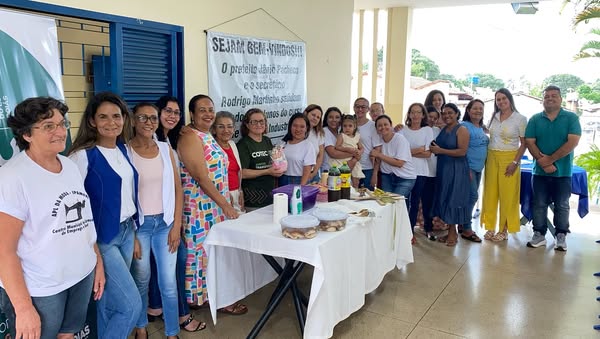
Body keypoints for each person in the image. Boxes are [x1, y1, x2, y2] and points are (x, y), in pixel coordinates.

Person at [0, 97, 103, 339]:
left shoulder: (69, 166)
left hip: (81, 275)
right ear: (26, 134)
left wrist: (96, 261)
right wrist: (24, 308)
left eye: (62, 123)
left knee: (68, 334)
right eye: (49, 126)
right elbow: (4, 251)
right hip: (41, 288)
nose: (60, 132)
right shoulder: (12, 177)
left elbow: (84, 223)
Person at [68, 92, 142, 338]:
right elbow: (73, 205)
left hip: (126, 232)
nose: (111, 122)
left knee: (107, 303)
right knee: (131, 306)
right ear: (92, 121)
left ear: (124, 119)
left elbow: (128, 197)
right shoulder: (81, 156)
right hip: (102, 239)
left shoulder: (123, 150)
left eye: (116, 116)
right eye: (103, 117)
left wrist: (135, 232)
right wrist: (90, 247)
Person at [178, 95, 246, 315]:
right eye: (202, 110)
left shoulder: (206, 135)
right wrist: (226, 205)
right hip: (199, 208)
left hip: (214, 206)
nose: (208, 114)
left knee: (214, 253)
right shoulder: (190, 137)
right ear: (192, 114)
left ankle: (215, 296)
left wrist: (225, 203)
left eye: (211, 109)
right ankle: (200, 298)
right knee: (201, 253)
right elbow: (200, 176)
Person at [149, 96, 205, 332]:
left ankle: (155, 307)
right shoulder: (150, 141)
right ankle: (181, 315)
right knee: (173, 263)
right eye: (167, 111)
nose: (172, 115)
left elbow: (176, 186)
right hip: (153, 215)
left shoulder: (169, 140)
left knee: (167, 263)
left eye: (176, 112)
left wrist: (177, 221)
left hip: (170, 213)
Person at [127, 103, 182, 339]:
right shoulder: (124, 151)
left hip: (165, 224)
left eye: (153, 118)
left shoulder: (165, 149)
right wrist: (131, 235)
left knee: (168, 283)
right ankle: (141, 328)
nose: (149, 122)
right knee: (142, 279)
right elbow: (123, 196)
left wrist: (176, 225)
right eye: (143, 118)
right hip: (140, 227)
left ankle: (172, 332)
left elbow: (178, 189)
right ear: (133, 120)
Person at [525, 85, 581, 251]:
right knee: (539, 204)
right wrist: (543, 162)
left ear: (560, 99)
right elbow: (529, 141)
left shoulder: (571, 118)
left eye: (553, 96)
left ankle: (561, 235)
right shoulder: (535, 119)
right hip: (539, 172)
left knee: (562, 205)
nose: (549, 98)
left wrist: (549, 160)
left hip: (563, 172)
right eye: (546, 96)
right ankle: (539, 234)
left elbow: (573, 142)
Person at [480, 88, 527, 242]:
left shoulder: (520, 118)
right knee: (490, 194)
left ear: (510, 99)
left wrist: (515, 162)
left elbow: (524, 143)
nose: (501, 102)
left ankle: (504, 229)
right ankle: (490, 227)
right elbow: (491, 134)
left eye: (503, 99)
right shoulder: (494, 116)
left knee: (508, 196)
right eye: (498, 99)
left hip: (509, 158)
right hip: (491, 157)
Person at [430, 103, 470, 247]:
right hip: (443, 168)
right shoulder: (444, 129)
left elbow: (462, 152)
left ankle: (453, 232)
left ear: (457, 113)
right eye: (444, 113)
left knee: (454, 198)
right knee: (445, 197)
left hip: (456, 169)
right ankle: (449, 230)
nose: (447, 116)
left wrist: (441, 151)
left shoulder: (462, 129)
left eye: (450, 113)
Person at [398, 103, 435, 240]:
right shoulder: (402, 130)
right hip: (404, 171)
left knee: (414, 203)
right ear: (409, 114)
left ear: (423, 115)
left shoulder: (427, 130)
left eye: (419, 112)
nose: (415, 115)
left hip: (420, 172)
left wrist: (409, 153)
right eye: (412, 112)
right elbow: (399, 153)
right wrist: (418, 150)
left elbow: (427, 154)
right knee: (403, 202)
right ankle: (401, 231)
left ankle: (410, 233)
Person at [237, 108, 284, 211]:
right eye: (254, 122)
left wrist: (279, 167)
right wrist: (267, 171)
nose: (259, 124)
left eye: (261, 121)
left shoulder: (267, 140)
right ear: (247, 124)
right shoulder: (243, 144)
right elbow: (242, 173)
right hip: (253, 199)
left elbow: (273, 162)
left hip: (270, 196)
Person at [459, 99, 489, 243]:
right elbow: (462, 149)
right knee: (472, 197)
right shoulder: (464, 126)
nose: (478, 111)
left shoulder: (482, 128)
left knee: (469, 197)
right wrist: (466, 169)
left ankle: (462, 223)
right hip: (468, 168)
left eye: (480, 108)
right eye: (475, 108)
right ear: (469, 111)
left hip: (479, 168)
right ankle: (467, 228)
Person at [371, 115, 416, 208]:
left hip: (405, 178)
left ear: (391, 125)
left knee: (395, 204)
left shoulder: (400, 139)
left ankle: (403, 223)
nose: (383, 127)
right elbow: (377, 159)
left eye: (385, 124)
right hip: (387, 176)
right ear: (376, 129)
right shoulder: (378, 140)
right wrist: (375, 174)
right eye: (379, 125)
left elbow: (399, 163)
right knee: (388, 205)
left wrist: (379, 154)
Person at [212, 111, 244, 213]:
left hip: (236, 194)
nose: (226, 130)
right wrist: (224, 194)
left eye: (229, 126)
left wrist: (240, 191)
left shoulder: (232, 145)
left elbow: (237, 172)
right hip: (221, 196)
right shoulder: (212, 148)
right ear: (214, 129)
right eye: (221, 127)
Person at [279, 113, 316, 185]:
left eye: (302, 126)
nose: (298, 129)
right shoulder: (283, 143)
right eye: (295, 126)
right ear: (290, 126)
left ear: (306, 128)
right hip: (282, 179)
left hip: (299, 181)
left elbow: (307, 171)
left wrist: (301, 188)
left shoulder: (308, 146)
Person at [354, 97, 382, 190]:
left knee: (367, 199)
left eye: (363, 107)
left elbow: (378, 150)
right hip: (350, 167)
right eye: (357, 107)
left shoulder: (373, 126)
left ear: (368, 109)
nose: (360, 109)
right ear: (354, 108)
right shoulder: (348, 124)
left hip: (367, 169)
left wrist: (375, 173)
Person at [322, 106, 359, 172]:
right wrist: (354, 154)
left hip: (346, 168)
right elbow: (333, 153)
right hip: (331, 170)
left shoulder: (343, 131)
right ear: (326, 119)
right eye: (330, 117)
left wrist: (356, 156)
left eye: (337, 117)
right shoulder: (325, 131)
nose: (334, 120)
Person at [332, 114, 365, 187]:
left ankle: (355, 192)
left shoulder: (357, 136)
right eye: (345, 126)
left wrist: (360, 152)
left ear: (354, 127)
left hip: (355, 160)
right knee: (344, 181)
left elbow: (362, 148)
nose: (347, 128)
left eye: (350, 126)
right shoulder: (341, 136)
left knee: (356, 181)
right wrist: (347, 149)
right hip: (344, 161)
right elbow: (337, 146)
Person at [304, 104, 325, 183]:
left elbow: (320, 155)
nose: (315, 118)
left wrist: (315, 172)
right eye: (313, 115)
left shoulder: (319, 133)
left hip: (313, 174)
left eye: (318, 117)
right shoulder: (299, 131)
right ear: (306, 113)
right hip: (300, 174)